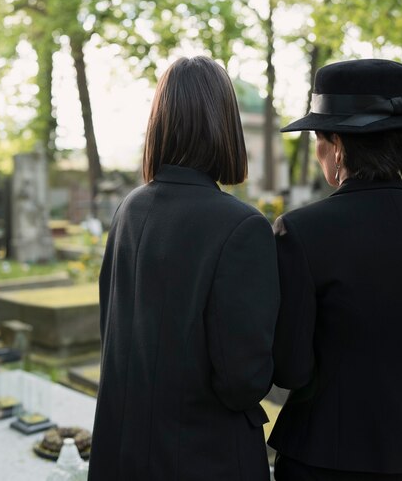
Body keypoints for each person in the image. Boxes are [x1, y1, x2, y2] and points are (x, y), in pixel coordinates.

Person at [269, 59, 402, 481]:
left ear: (337, 144)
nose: (318, 150)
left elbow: (291, 367)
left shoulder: (301, 232)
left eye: (318, 139)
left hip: (327, 456)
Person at [88, 56, 280, 480]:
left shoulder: (129, 209)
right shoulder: (241, 226)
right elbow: (242, 380)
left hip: (126, 448)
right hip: (202, 455)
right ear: (224, 125)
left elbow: (115, 335)